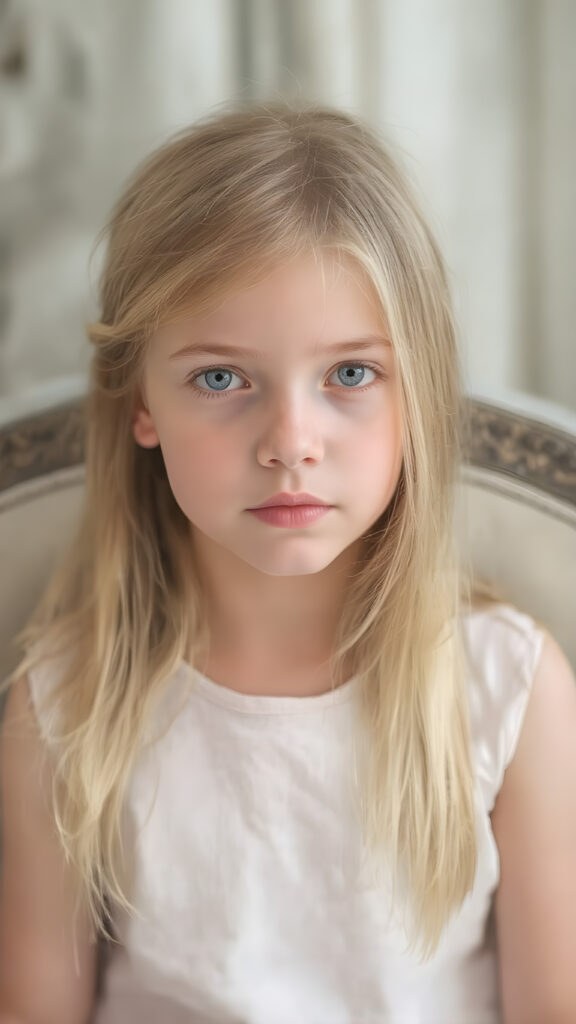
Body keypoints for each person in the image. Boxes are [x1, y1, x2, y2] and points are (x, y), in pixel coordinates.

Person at [0, 102, 575, 1024]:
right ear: (141, 403)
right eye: (221, 379)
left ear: (414, 391)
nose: (290, 442)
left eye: (350, 374)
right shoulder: (68, 708)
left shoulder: (506, 689)